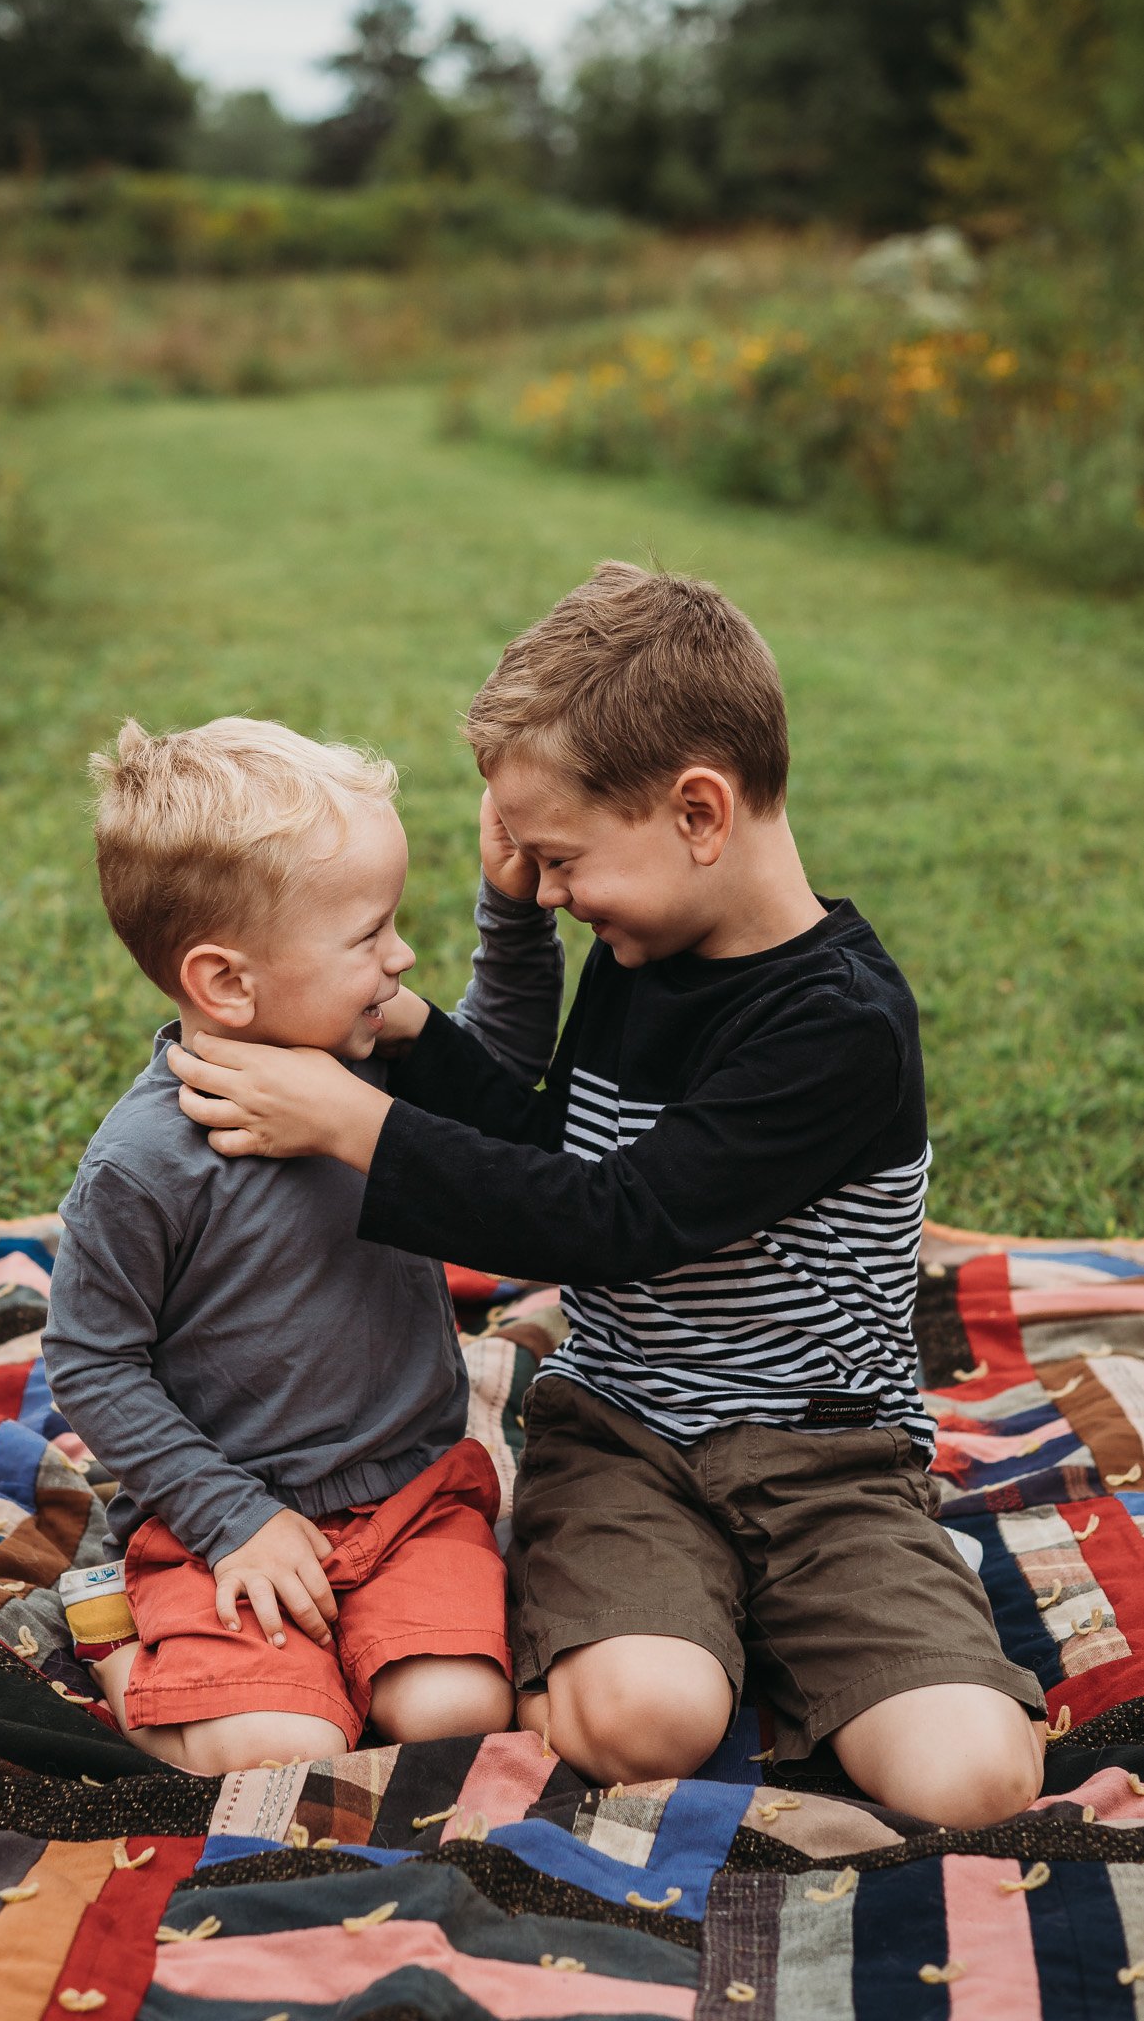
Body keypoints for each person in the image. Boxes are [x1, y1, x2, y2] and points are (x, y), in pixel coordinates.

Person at [166, 563, 1047, 1826]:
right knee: (649, 1721)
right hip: (627, 1437)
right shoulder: (647, 947)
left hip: (827, 1460)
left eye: (565, 858)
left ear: (699, 810)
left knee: (974, 1780)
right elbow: (549, 1142)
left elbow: (608, 1222)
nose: (558, 889)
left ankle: (821, 1626)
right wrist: (430, 1016)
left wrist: (363, 1126)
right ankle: (686, 1630)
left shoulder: (836, 1025)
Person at [42, 715, 546, 1775]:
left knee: (458, 1715)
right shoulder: (145, 1161)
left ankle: (318, 1654)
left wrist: (513, 914)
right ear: (227, 982)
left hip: (409, 1497)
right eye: (368, 935)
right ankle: (125, 1647)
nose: (398, 956)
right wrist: (232, 1518)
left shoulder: (372, 1058)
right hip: (225, 1515)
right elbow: (91, 1356)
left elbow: (492, 1081)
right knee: (288, 1743)